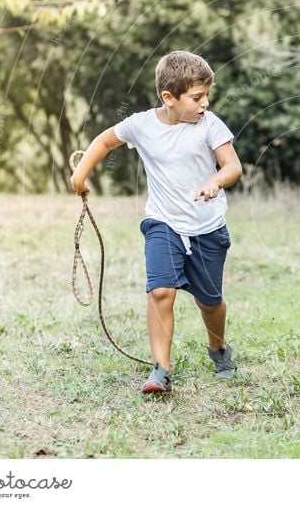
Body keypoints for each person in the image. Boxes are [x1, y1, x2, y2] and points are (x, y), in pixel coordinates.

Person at [70, 50, 242, 394]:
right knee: (161, 291)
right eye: (197, 97)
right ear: (169, 97)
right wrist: (80, 174)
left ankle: (218, 348)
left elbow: (232, 167)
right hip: (163, 223)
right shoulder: (142, 125)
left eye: (207, 95)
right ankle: (161, 369)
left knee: (210, 302)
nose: (205, 103)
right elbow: (106, 140)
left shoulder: (210, 124)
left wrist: (215, 182)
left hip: (207, 228)